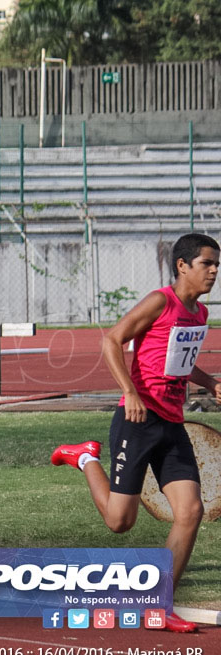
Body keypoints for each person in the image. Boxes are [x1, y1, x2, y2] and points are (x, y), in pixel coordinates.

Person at [53, 232, 221, 634]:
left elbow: (179, 362)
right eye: (207, 263)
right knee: (119, 521)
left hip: (172, 423)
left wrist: (210, 382)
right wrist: (129, 392)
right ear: (183, 265)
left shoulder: (199, 313)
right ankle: (85, 457)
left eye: (217, 265)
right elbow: (111, 339)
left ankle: (160, 606)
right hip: (138, 421)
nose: (214, 271)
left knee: (190, 512)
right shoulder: (160, 301)